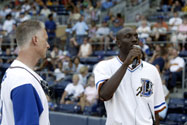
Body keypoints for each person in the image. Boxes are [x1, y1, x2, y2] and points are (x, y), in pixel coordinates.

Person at [93, 27, 166, 125]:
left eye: (136, 36)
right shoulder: (105, 66)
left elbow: (155, 111)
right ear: (118, 43)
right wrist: (126, 64)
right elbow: (104, 94)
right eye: (128, 36)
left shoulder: (151, 70)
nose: (134, 39)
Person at [0, 20, 50, 124]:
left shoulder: (14, 72)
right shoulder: (23, 80)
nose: (48, 45)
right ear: (35, 39)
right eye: (45, 40)